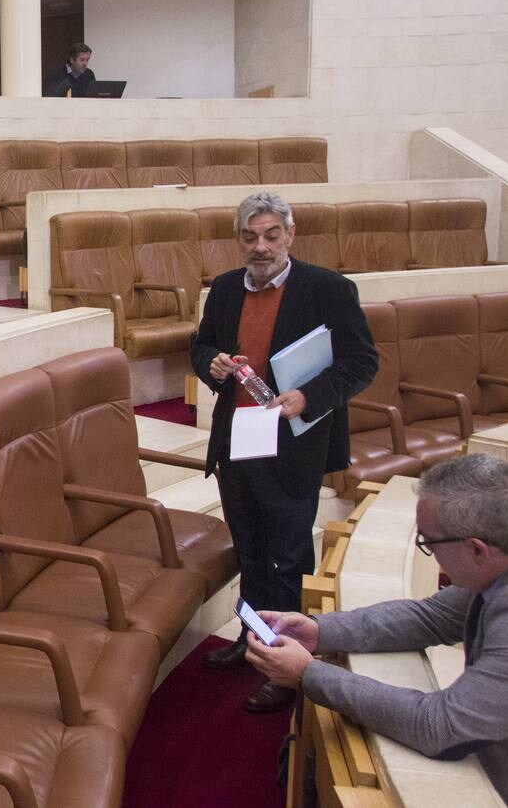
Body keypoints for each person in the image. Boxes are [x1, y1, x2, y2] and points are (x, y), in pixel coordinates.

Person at [190, 191, 377, 713]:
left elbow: (362, 362)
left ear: (290, 235)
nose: (261, 246)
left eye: (271, 235)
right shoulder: (225, 289)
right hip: (238, 439)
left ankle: (287, 660)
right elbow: (200, 345)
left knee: (288, 552)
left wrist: (310, 396)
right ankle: (251, 640)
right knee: (250, 547)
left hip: (293, 442)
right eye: (250, 237)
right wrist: (214, 364)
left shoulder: (329, 289)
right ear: (239, 240)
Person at [246, 454, 508, 801]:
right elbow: (431, 617)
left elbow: (441, 726)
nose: (428, 552)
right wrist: (318, 631)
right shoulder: (494, 568)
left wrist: (308, 674)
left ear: (478, 550)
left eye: (428, 543)